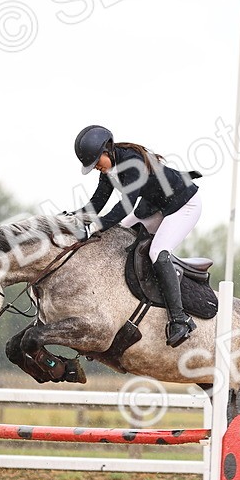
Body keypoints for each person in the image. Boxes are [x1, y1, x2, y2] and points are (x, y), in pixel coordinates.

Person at [74, 125, 202, 348]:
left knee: (157, 253)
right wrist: (72, 217)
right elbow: (98, 202)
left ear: (108, 149)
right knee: (116, 235)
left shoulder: (133, 164)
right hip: (156, 207)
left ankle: (180, 320)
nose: (95, 168)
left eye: (96, 162)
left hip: (184, 205)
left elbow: (125, 206)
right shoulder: (110, 168)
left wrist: (93, 228)